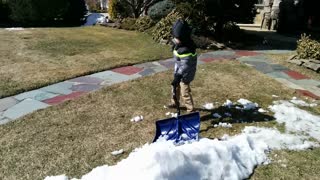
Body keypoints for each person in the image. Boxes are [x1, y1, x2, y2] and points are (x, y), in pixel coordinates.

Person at [168, 19, 197, 113]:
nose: (175, 39)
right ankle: (174, 102)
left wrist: (178, 75)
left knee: (184, 92)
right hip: (179, 71)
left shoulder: (187, 49)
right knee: (175, 87)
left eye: (177, 38)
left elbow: (185, 66)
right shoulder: (180, 45)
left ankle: (190, 110)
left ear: (183, 38)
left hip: (186, 74)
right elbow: (178, 60)